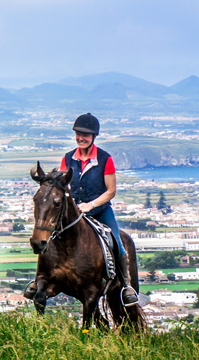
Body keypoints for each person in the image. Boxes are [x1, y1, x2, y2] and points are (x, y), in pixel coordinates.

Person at [24, 113, 138, 306]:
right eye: (78, 134)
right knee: (50, 239)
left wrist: (91, 205)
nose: (81, 138)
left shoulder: (104, 159)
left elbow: (111, 191)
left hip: (99, 210)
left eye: (86, 134)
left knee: (117, 241)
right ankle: (38, 281)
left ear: (94, 136)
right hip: (73, 212)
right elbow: (61, 186)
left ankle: (126, 284)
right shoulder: (67, 158)